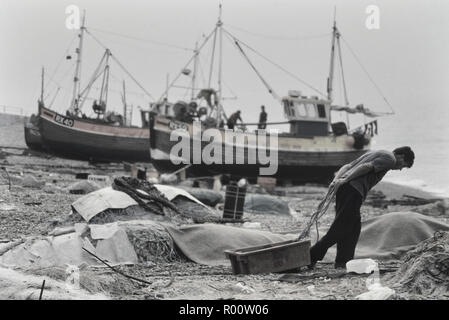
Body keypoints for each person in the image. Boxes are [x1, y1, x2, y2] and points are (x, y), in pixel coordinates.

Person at [309, 146, 415, 269]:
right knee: (341, 227)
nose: (401, 169)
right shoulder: (390, 159)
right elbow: (365, 167)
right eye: (404, 165)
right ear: (401, 156)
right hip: (353, 190)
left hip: (346, 189)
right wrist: (345, 180)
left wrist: (337, 180)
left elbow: (347, 166)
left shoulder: (376, 152)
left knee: (353, 228)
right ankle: (312, 255)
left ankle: (343, 261)